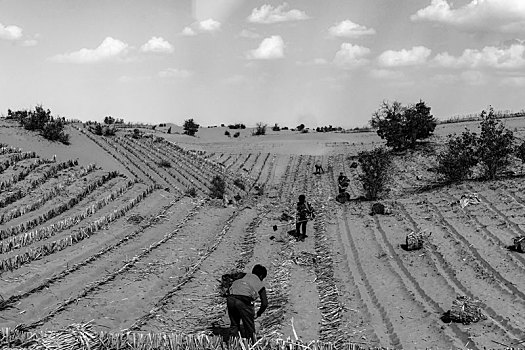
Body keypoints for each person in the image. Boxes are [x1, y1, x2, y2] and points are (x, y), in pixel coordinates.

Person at [227, 264, 268, 343]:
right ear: (261, 276)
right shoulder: (259, 283)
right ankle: (251, 344)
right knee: (249, 327)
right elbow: (265, 303)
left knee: (234, 324)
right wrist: (258, 313)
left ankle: (232, 344)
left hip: (230, 299)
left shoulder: (242, 276)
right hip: (244, 301)